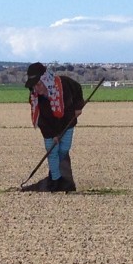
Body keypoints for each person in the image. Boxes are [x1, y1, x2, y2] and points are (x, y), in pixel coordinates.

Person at [23, 62, 85, 192]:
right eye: (34, 85)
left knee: (64, 149)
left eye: (38, 84)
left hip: (67, 123)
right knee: (52, 152)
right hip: (49, 130)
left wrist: (78, 106)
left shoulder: (64, 84)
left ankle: (61, 178)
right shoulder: (35, 98)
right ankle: (56, 180)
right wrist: (53, 135)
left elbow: (78, 89)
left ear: (46, 80)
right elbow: (42, 121)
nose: (36, 88)